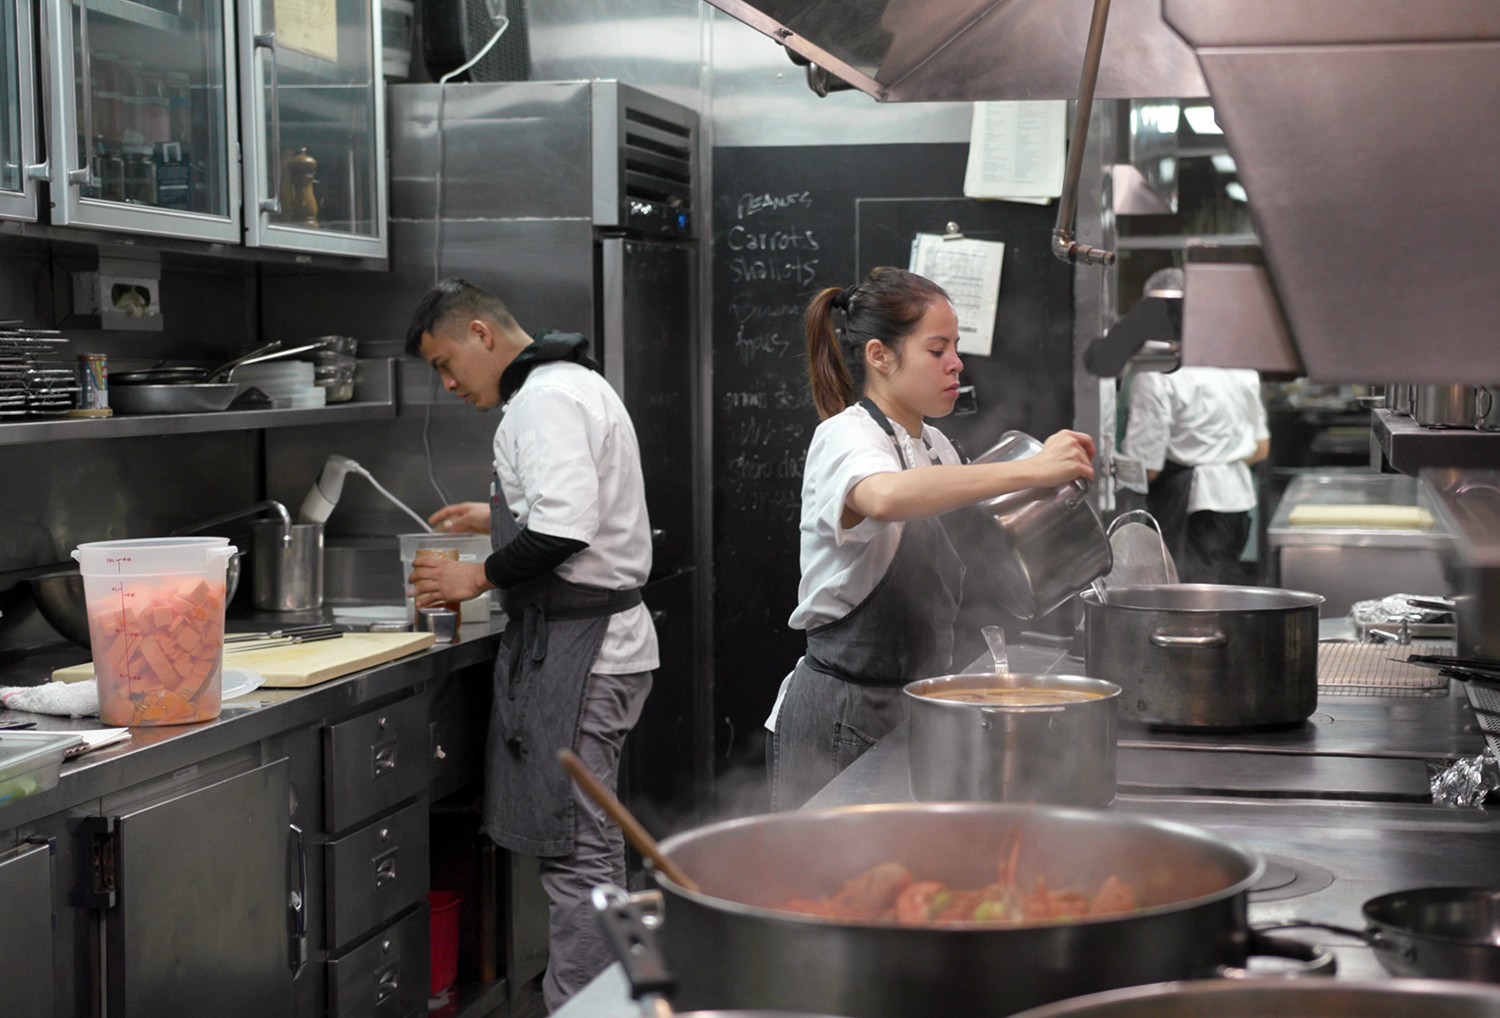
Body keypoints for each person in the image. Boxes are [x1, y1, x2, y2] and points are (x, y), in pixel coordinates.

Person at [403, 278, 658, 1012]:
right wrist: (500, 514)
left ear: (482, 334)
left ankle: (591, 1006)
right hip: (599, 645)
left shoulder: (543, 402)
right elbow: (578, 506)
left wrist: (474, 574)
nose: (448, 383)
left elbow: (565, 532)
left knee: (580, 856)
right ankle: (629, 999)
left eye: (446, 362)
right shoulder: (565, 385)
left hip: (587, 652)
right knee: (592, 848)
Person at [766, 266, 1096, 810]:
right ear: (880, 355)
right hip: (843, 712)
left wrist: (1056, 500)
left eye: (956, 347)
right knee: (829, 887)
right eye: (937, 349)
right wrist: (1033, 471)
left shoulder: (937, 444)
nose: (956, 363)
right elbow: (885, 497)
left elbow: (989, 531)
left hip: (914, 707)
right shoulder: (846, 435)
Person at [1119, 363, 1271, 585]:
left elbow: (1148, 470)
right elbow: (1261, 448)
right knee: (1222, 590)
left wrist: (1110, 471)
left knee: (1185, 599)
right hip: (1237, 504)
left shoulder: (1157, 374)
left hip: (1191, 509)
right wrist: (1219, 459)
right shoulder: (1242, 368)